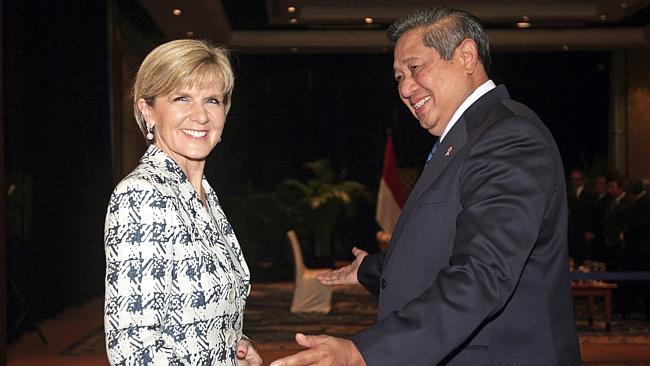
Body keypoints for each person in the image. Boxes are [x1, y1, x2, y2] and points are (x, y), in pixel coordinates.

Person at [271, 7, 580, 366]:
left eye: (415, 68)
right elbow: (448, 244)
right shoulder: (468, 138)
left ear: (466, 56)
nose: (404, 88)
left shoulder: (508, 137)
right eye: (399, 76)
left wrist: (364, 352)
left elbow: (482, 275)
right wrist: (372, 269)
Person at [104, 39, 262, 366]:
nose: (200, 115)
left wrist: (237, 346)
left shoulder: (204, 194)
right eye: (181, 98)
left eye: (212, 100)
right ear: (148, 110)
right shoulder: (143, 194)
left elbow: (200, 315)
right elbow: (134, 348)